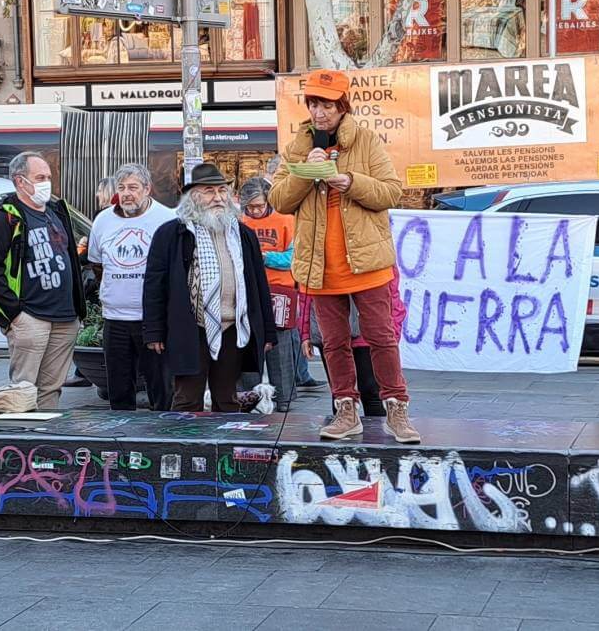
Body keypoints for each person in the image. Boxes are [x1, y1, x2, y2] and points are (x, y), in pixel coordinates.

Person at [269, 69, 420, 444]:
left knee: (381, 338)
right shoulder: (298, 146)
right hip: (321, 267)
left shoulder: (366, 141)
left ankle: (397, 409)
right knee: (333, 343)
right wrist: (309, 172)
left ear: (342, 106)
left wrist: (350, 181)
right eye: (313, 104)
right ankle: (345, 410)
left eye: (326, 104)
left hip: (367, 264)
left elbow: (391, 192)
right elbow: (279, 199)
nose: (319, 113)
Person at [142, 163, 277, 413]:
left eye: (222, 191)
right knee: (187, 399)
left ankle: (225, 450)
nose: (218, 198)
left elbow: (259, 285)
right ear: (194, 197)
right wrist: (154, 331)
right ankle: (184, 449)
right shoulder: (172, 233)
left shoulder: (243, 234)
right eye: (209, 191)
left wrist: (267, 331)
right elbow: (154, 285)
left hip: (233, 328)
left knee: (228, 399)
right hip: (190, 328)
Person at [0, 152, 86, 410]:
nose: (47, 182)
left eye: (48, 177)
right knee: (23, 390)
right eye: (40, 177)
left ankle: (46, 441)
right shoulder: (5, 217)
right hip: (31, 316)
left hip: (64, 317)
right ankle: (20, 443)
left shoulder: (57, 212)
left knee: (52, 388)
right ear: (20, 181)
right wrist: (15, 313)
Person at [88, 163, 173, 411]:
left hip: (152, 319)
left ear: (147, 189)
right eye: (122, 187)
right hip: (115, 318)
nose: (127, 193)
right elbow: (97, 263)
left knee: (161, 388)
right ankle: (121, 439)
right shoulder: (102, 221)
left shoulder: (167, 219)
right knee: (119, 388)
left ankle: (161, 437)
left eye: (133, 187)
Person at [239, 176, 317, 412]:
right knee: (249, 343)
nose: (254, 211)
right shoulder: (239, 222)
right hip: (248, 290)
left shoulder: (287, 220)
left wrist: (264, 258)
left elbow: (293, 259)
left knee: (281, 346)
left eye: (259, 206)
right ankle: (249, 397)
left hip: (280, 291)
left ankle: (283, 399)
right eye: (250, 207)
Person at [299, 268, 406, 419]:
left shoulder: (373, 250)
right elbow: (307, 291)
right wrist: (305, 332)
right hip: (331, 329)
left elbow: (391, 292)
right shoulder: (318, 249)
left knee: (371, 391)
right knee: (340, 395)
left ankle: (378, 437)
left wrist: (390, 332)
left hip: (365, 331)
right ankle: (345, 429)